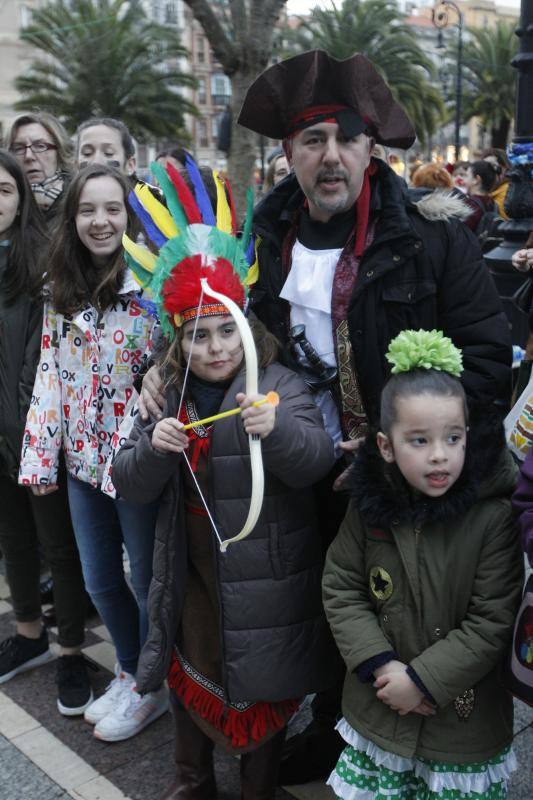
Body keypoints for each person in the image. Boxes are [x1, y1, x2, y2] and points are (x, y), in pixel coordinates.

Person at [139, 50, 512, 783]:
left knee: (404, 619)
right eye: (312, 140)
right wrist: (163, 367)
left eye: (345, 138)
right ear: (288, 154)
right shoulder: (262, 246)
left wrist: (398, 447)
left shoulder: (432, 237)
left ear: (370, 148)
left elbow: (485, 363)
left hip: (405, 481)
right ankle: (334, 728)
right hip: (293, 467)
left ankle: (422, 754)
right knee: (319, 606)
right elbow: (209, 322)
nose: (330, 156)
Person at [110, 159, 338, 799]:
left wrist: (280, 431)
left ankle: (257, 790)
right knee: (193, 680)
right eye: (198, 335)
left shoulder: (279, 384)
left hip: (266, 582)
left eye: (225, 331)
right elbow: (128, 481)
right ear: (178, 342)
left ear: (245, 325)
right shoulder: (165, 396)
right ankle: (192, 781)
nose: (215, 348)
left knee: (261, 697)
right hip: (194, 578)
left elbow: (315, 459)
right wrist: (155, 448)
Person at [323, 329, 523, 800]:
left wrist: (423, 681)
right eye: (419, 440)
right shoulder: (369, 506)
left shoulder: (492, 515)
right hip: (381, 707)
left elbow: (492, 619)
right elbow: (341, 584)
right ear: (386, 446)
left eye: (452, 438)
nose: (439, 454)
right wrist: (380, 664)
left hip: (462, 724)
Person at [18, 164, 167, 742]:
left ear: (129, 216)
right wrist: (39, 455)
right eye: (88, 210)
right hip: (80, 464)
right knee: (100, 581)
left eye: (112, 209)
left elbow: (180, 360)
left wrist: (164, 369)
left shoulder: (153, 285)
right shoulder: (59, 288)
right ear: (72, 218)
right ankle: (131, 672)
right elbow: (50, 373)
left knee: (146, 580)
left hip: (134, 464)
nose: (100, 221)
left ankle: (153, 685)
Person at [0, 149, 91, 715]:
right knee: (12, 542)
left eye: (3, 190)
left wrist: (35, 437)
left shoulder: (41, 264)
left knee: (59, 547)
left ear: (21, 197)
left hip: (37, 435)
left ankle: (72, 651)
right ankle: (29, 633)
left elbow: (47, 362)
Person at [6, 112, 73, 225]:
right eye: (18, 149)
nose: (28, 156)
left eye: (40, 146)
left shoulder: (79, 197)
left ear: (59, 152)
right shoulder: (4, 201)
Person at [462, 160, 499, 233]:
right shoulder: (493, 203)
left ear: (476, 179)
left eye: (466, 176)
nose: (464, 181)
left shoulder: (470, 206)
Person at [481, 147, 511, 220]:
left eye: (492, 166)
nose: (487, 171)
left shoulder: (508, 192)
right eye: (484, 166)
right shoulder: (485, 191)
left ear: (505, 168)